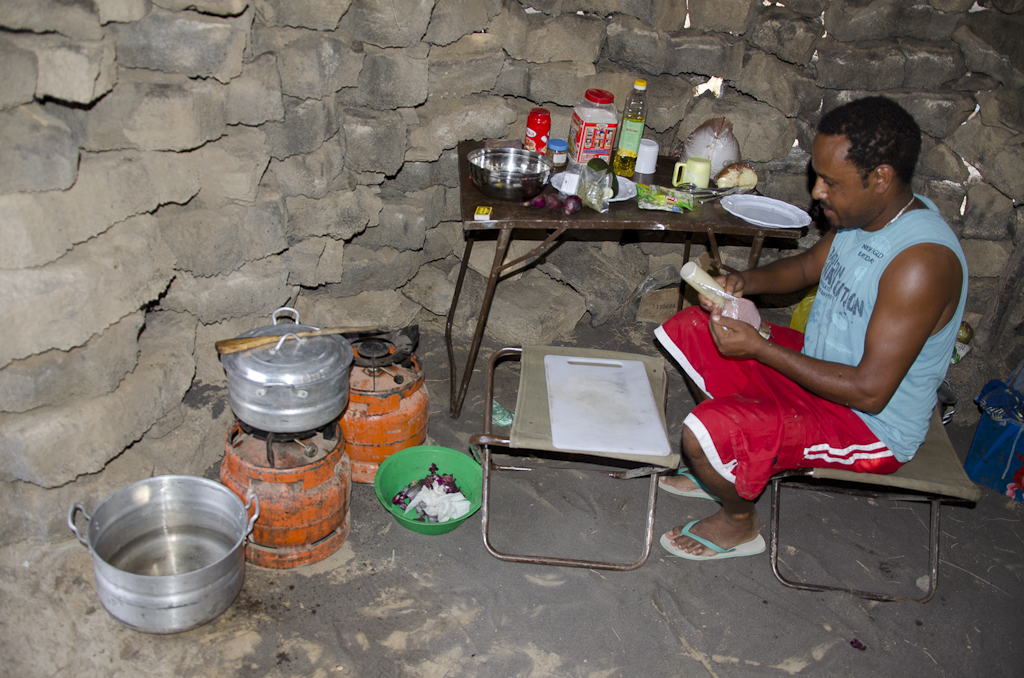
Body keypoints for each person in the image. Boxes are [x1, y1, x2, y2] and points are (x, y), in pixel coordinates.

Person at [654, 96, 968, 560]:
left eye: (830, 182)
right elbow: (804, 269)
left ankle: (740, 519)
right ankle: (735, 463)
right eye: (818, 176)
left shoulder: (921, 264)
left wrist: (760, 350)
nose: (818, 191)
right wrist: (743, 283)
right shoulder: (866, 213)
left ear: (880, 178)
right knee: (697, 326)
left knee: (702, 432)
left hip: (866, 423)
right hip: (822, 371)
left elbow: (869, 392)